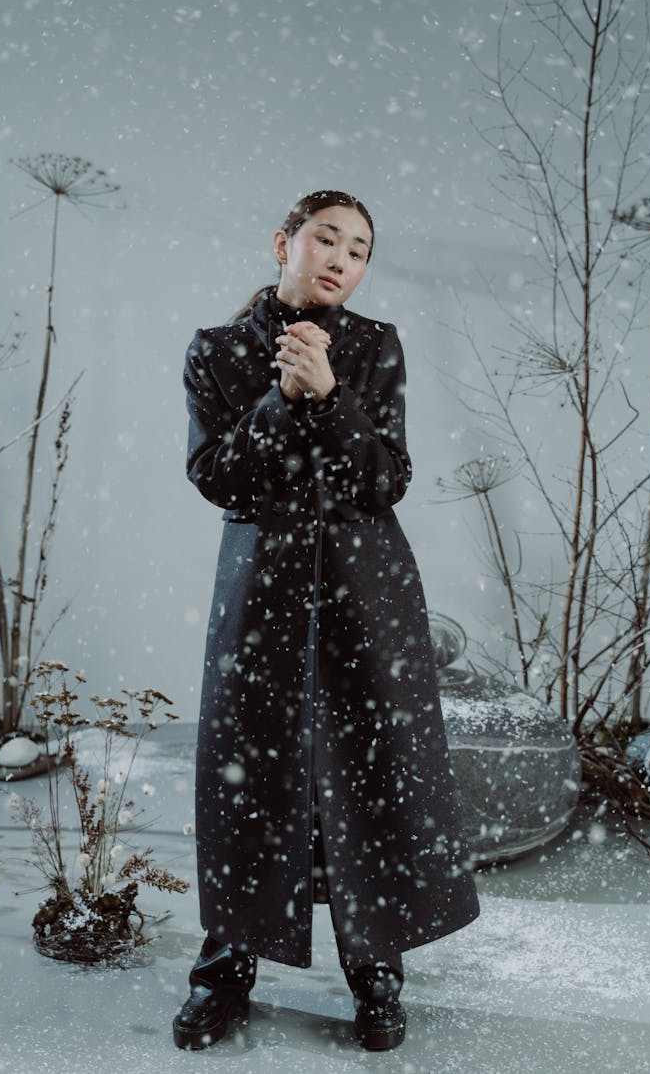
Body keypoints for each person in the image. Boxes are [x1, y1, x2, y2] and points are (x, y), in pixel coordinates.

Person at [174, 190, 479, 1052]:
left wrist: (332, 394)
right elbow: (220, 478)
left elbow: (385, 477)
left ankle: (375, 967)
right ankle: (225, 965)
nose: (342, 257)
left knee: (375, 766)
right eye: (326, 238)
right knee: (247, 771)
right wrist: (282, 398)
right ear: (285, 243)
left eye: (359, 248)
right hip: (261, 584)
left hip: (366, 583)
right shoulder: (218, 350)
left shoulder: (378, 347)